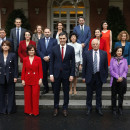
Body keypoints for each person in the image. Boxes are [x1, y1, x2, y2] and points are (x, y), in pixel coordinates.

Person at [50, 32, 75, 117]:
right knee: (56, 92)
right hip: (56, 74)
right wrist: (51, 74)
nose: (62, 40)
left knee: (66, 93)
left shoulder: (71, 49)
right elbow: (51, 62)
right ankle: (56, 108)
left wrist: (72, 74)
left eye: (64, 38)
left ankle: (65, 108)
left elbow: (73, 63)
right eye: (60, 38)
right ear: (58, 39)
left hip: (66, 74)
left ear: (66, 39)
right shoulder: (54, 48)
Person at [82, 39, 108, 116]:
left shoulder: (104, 53)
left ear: (99, 45)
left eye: (96, 44)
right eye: (94, 44)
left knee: (99, 94)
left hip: (99, 76)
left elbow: (105, 66)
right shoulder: (87, 53)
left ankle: (98, 108)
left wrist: (105, 76)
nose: (95, 45)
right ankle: (89, 108)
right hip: (90, 76)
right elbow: (84, 67)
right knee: (89, 94)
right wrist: (83, 77)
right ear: (91, 45)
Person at [21, 44, 43, 116]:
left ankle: (35, 111)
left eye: (32, 50)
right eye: (30, 50)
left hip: (36, 79)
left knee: (35, 95)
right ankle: (28, 111)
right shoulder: (25, 59)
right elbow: (23, 70)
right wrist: (22, 79)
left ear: (34, 51)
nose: (31, 51)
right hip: (27, 79)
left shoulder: (38, 59)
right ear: (27, 51)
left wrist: (40, 78)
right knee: (27, 96)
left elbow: (40, 70)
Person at [37, 28, 57, 94]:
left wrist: (48, 56)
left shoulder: (54, 40)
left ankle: (54, 88)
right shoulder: (40, 41)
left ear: (50, 32)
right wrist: (43, 57)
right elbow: (38, 50)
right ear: (44, 33)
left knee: (52, 74)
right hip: (42, 61)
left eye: (48, 32)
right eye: (45, 32)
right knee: (44, 75)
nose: (47, 33)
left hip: (51, 60)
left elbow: (55, 50)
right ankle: (46, 88)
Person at [0, 40, 18, 114]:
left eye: (7, 45)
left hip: (10, 76)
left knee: (11, 93)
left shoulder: (13, 55)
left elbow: (15, 67)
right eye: (4, 45)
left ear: (9, 47)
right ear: (1, 47)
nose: (5, 46)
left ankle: (10, 109)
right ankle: (2, 110)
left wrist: (15, 76)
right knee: (1, 94)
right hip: (1, 76)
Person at [110, 47, 128, 115]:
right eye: (118, 51)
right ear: (116, 52)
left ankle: (120, 108)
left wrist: (121, 77)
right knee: (113, 95)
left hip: (122, 80)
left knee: (121, 95)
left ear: (122, 52)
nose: (119, 52)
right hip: (114, 80)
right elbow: (111, 70)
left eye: (120, 51)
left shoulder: (125, 60)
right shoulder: (112, 60)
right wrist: (117, 77)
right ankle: (114, 109)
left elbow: (126, 71)